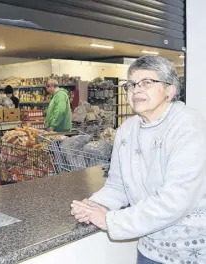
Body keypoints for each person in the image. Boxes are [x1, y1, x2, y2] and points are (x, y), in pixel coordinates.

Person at [70, 56, 206, 264]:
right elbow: (118, 185)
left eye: (147, 83)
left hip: (189, 253)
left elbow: (176, 200)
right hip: (149, 250)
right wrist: (93, 204)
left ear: (170, 91)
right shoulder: (127, 130)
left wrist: (110, 220)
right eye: (131, 84)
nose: (136, 90)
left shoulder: (189, 126)